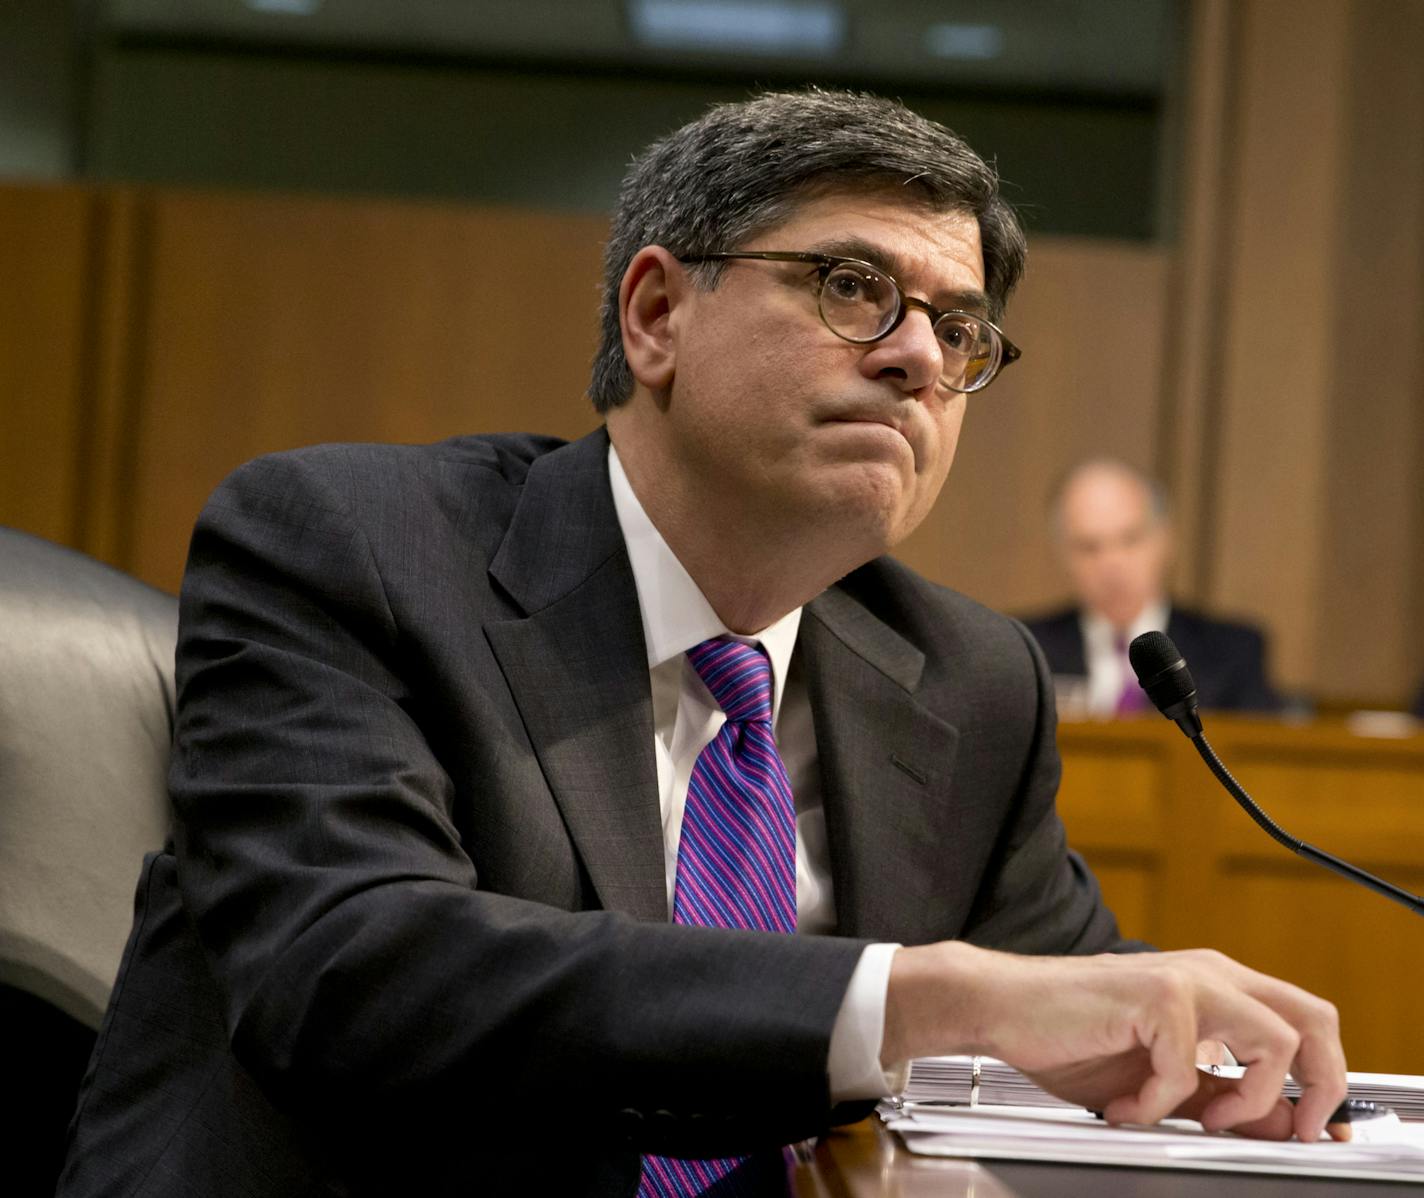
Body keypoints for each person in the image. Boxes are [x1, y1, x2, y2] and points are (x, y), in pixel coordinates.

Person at [59, 91, 1345, 1197]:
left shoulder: (966, 676)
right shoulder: (349, 547)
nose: (913, 358)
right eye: (853, 288)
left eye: (957, 332)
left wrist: (1225, 1060)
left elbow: (1065, 998)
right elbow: (349, 969)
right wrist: (916, 999)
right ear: (657, 315)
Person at [1024, 458, 1283, 716]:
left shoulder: (1230, 651)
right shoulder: (1028, 649)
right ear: (1062, 555)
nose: (1112, 563)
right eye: (1089, 547)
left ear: (1165, 540)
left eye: (1130, 540)